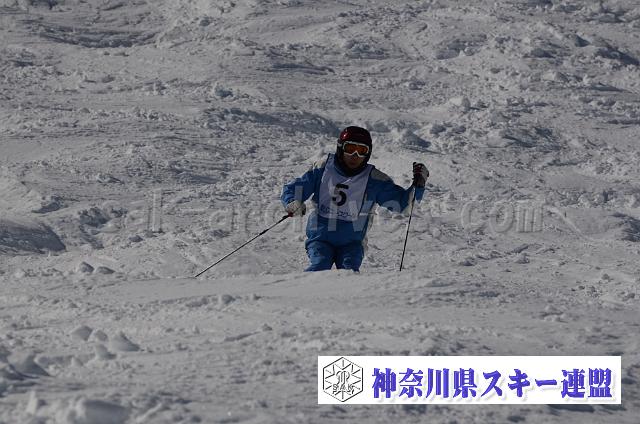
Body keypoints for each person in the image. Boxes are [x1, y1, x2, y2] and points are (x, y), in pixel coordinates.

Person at [281, 126, 429, 272]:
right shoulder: (324, 168)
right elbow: (295, 188)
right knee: (320, 265)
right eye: (350, 148)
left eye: (361, 151)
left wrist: (418, 185)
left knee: (349, 271)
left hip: (352, 242)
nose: (355, 155)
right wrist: (292, 202)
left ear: (368, 153)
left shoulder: (374, 179)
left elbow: (404, 204)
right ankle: (302, 287)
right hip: (320, 237)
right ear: (340, 148)